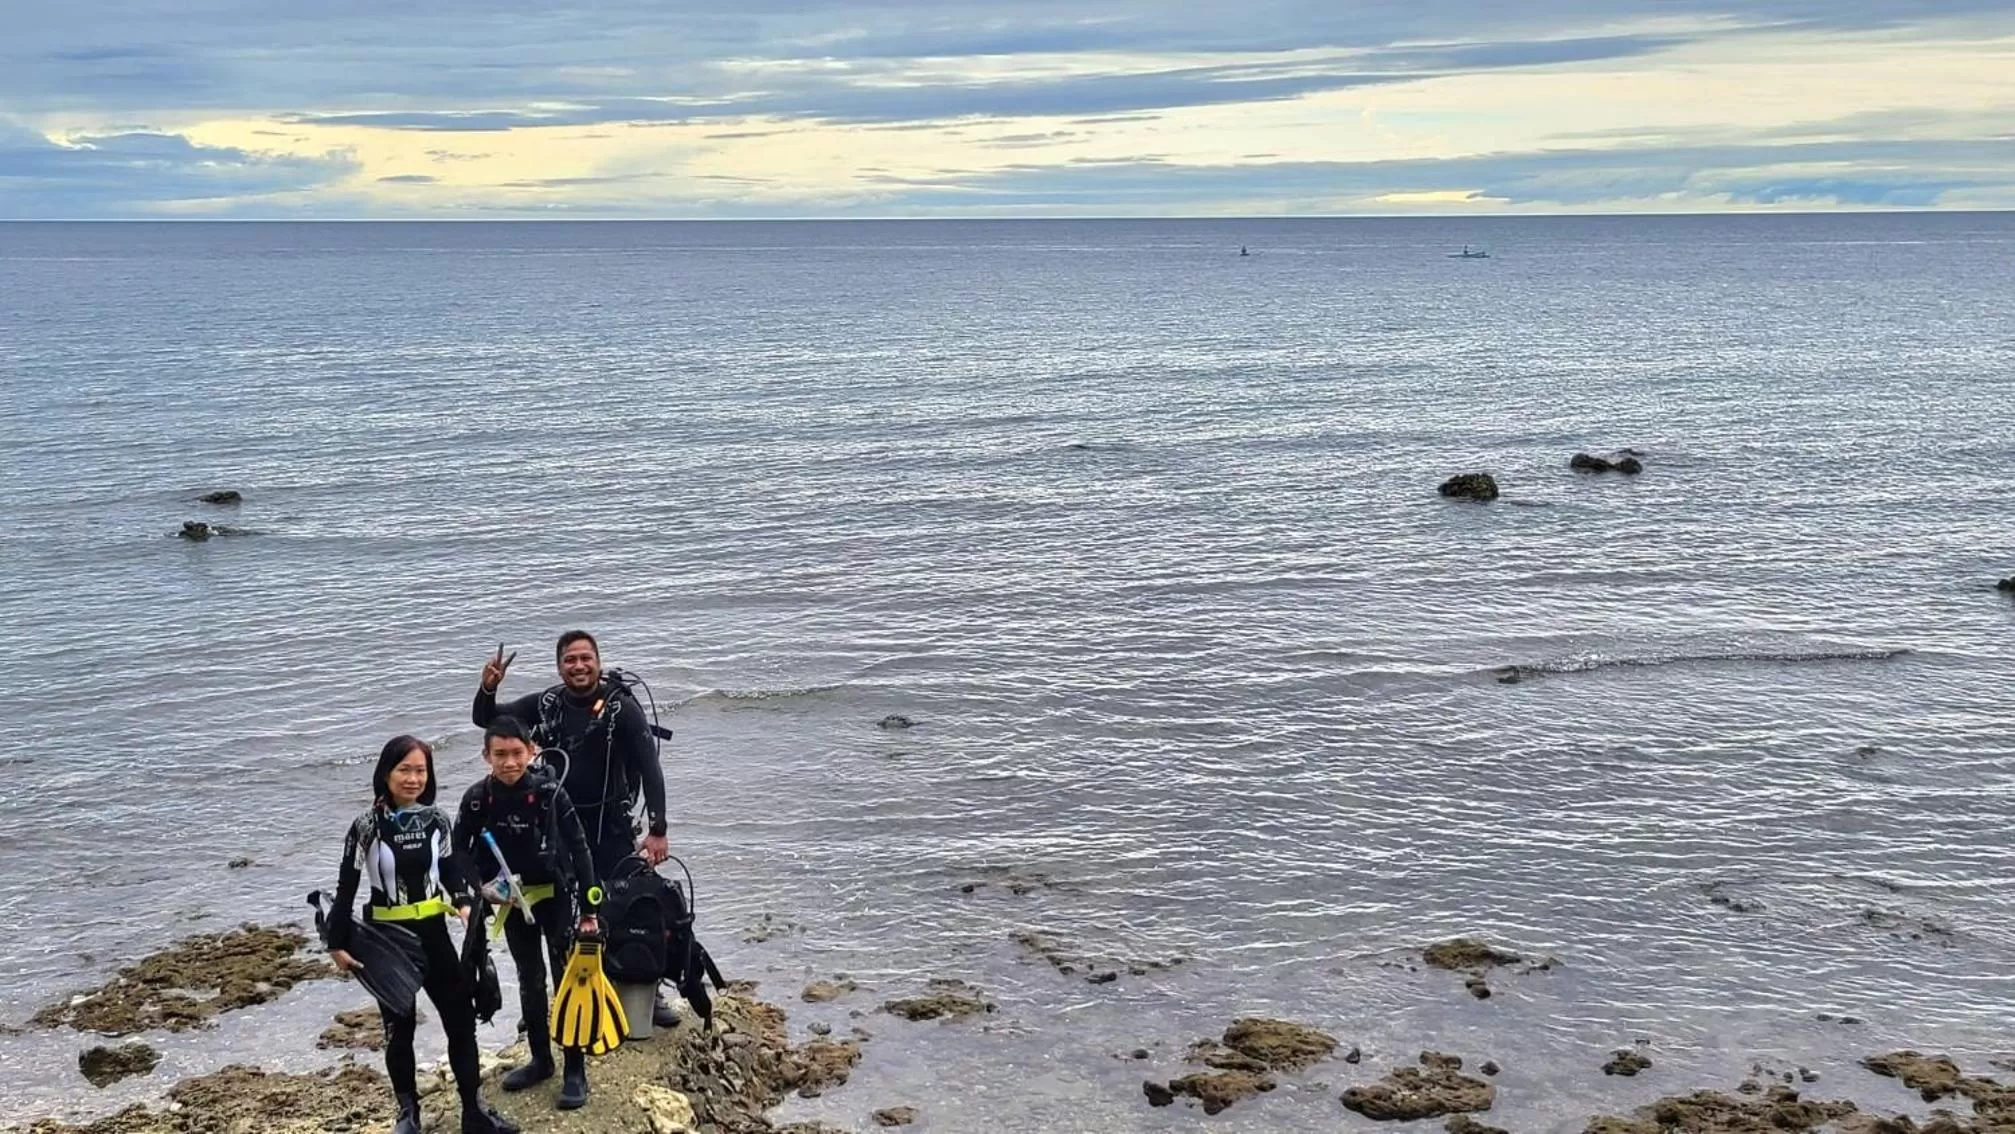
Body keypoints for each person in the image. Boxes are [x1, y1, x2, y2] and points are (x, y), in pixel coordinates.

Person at [473, 629, 675, 1025]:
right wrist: (487, 688)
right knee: (566, 916)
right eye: (570, 660)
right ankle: (571, 996)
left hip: (609, 826)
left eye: (585, 658)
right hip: (559, 827)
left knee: (625, 905)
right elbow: (487, 720)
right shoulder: (546, 704)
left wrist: (658, 828)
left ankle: (646, 990)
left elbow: (651, 769)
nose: (578, 666)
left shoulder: (622, 708)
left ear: (598, 662)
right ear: (559, 666)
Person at [324, 736, 517, 1134]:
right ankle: (407, 1115)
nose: (413, 779)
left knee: (461, 1020)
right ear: (386, 774)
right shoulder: (365, 826)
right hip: (387, 939)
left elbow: (448, 870)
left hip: (433, 934)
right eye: (404, 770)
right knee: (401, 1028)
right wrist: (336, 943)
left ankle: (474, 1110)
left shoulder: (436, 820)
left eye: (420, 771)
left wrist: (464, 902)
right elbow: (346, 887)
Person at [454, 715, 600, 1110]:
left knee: (565, 979)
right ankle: (540, 1059)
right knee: (529, 978)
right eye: (499, 754)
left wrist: (589, 908)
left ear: (531, 751)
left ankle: (575, 1068)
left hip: (554, 897)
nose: (509, 762)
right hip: (512, 902)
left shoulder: (551, 792)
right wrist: (478, 889)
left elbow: (581, 849)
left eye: (517, 753)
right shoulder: (476, 799)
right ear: (486, 755)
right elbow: (458, 854)